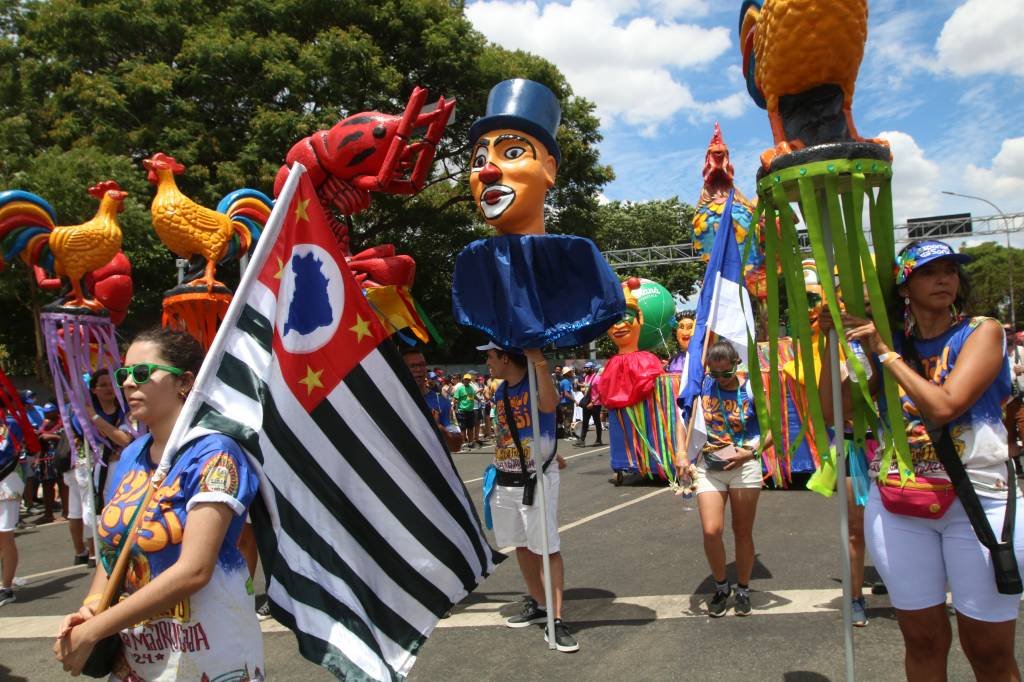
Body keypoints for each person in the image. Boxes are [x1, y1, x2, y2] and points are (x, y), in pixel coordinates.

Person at [819, 239, 1023, 680]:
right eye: (929, 272)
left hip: (979, 503)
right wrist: (827, 343)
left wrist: (886, 353)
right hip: (899, 504)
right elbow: (838, 410)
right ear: (905, 288)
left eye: (950, 270)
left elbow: (945, 406)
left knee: (988, 650)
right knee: (923, 640)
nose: (944, 278)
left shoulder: (982, 331)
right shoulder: (893, 345)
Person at [54, 327, 262, 679]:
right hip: (137, 652)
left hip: (207, 647)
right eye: (124, 374)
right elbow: (114, 551)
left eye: (142, 373)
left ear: (185, 382)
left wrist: (96, 629)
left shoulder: (215, 453)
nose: (128, 384)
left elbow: (194, 570)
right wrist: (90, 609)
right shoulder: (133, 452)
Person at [481, 341, 577, 652]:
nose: (487, 363)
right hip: (506, 478)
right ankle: (539, 603)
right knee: (521, 544)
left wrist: (539, 363)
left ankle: (557, 620)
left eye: (490, 356)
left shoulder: (536, 383)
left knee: (546, 547)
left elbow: (549, 407)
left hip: (535, 479)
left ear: (505, 357)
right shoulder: (500, 391)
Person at [678, 339, 765, 617]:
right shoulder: (701, 386)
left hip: (744, 465)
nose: (719, 378)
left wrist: (750, 452)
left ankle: (742, 588)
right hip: (709, 465)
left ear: (736, 365)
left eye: (724, 373)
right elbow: (683, 419)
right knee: (711, 530)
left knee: (742, 531)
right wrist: (681, 453)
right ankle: (720, 586)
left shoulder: (751, 388)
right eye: (713, 372)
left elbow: (772, 428)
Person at [67, 370, 133, 566]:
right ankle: (102, 554)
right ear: (94, 390)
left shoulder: (125, 411)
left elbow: (124, 439)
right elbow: (89, 439)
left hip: (123, 467)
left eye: (111, 384)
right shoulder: (81, 417)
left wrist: (95, 417)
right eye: (102, 385)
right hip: (95, 471)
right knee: (92, 514)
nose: (108, 388)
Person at [401, 347, 464, 453]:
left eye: (421, 365)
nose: (418, 369)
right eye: (412, 366)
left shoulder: (441, 402)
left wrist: (438, 427)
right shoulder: (392, 400)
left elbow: (456, 446)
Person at [1, 411, 25, 606]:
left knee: (5, 536)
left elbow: (8, 452)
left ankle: (6, 588)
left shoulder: (10, 423)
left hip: (6, 483)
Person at [1003, 324, 1024, 475]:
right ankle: (1017, 467)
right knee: (1009, 437)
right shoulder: (996, 352)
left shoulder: (1022, 351)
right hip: (1004, 402)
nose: (1007, 334)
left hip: (1020, 400)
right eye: (1003, 331)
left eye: (1009, 331)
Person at [575, 361, 604, 447]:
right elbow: (586, 388)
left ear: (592, 368)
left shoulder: (598, 378)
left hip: (595, 404)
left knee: (597, 422)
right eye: (584, 368)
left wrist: (593, 402)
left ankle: (599, 440)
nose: (585, 369)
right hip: (587, 403)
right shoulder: (587, 377)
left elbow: (600, 392)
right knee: (585, 422)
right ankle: (582, 440)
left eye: (587, 368)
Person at [453, 373, 478, 450]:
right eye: (466, 379)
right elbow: (455, 399)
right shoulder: (460, 389)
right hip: (462, 411)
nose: (467, 381)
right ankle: (463, 444)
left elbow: (474, 396)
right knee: (463, 428)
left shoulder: (471, 388)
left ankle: (470, 442)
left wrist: (479, 399)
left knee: (470, 427)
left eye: (468, 380)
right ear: (463, 380)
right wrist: (455, 408)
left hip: (470, 411)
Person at [557, 367, 575, 439]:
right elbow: (566, 393)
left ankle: (566, 433)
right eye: (570, 372)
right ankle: (567, 434)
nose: (572, 373)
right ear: (567, 373)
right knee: (568, 418)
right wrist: (574, 400)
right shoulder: (567, 382)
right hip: (567, 403)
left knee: (564, 418)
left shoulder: (562, 381)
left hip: (562, 403)